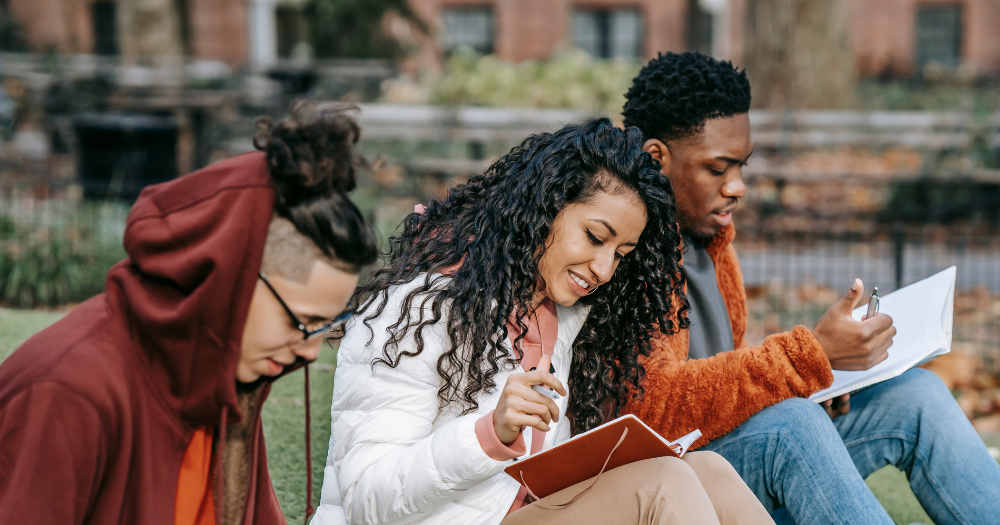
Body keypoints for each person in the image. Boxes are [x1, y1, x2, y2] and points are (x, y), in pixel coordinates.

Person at [312, 118, 774, 525]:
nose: (604, 269)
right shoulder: (416, 309)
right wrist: (489, 434)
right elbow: (365, 498)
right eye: (595, 237)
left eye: (621, 254)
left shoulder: (560, 317)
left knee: (708, 470)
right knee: (661, 484)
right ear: (545, 208)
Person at [622, 51, 1000, 525]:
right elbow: (652, 411)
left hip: (732, 459)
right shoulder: (623, 250)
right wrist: (806, 357)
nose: (738, 186)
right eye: (719, 168)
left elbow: (720, 379)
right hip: (672, 488)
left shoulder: (712, 242)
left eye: (743, 165)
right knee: (791, 427)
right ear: (656, 158)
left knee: (916, 395)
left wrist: (815, 383)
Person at [0, 103, 378, 525]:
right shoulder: (66, 392)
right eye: (301, 322)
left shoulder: (227, 381)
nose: (309, 352)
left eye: (326, 326)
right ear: (228, 277)